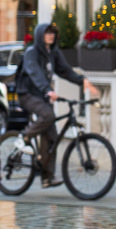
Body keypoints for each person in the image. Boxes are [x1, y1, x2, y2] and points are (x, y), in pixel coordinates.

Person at [13, 23, 96, 187]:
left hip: (42, 96)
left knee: (51, 136)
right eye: (47, 33)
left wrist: (82, 80)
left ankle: (46, 178)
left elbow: (65, 70)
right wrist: (47, 89)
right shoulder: (31, 52)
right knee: (48, 115)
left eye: (53, 33)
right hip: (27, 94)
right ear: (39, 35)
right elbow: (34, 71)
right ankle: (24, 137)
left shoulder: (53, 53)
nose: (50, 36)